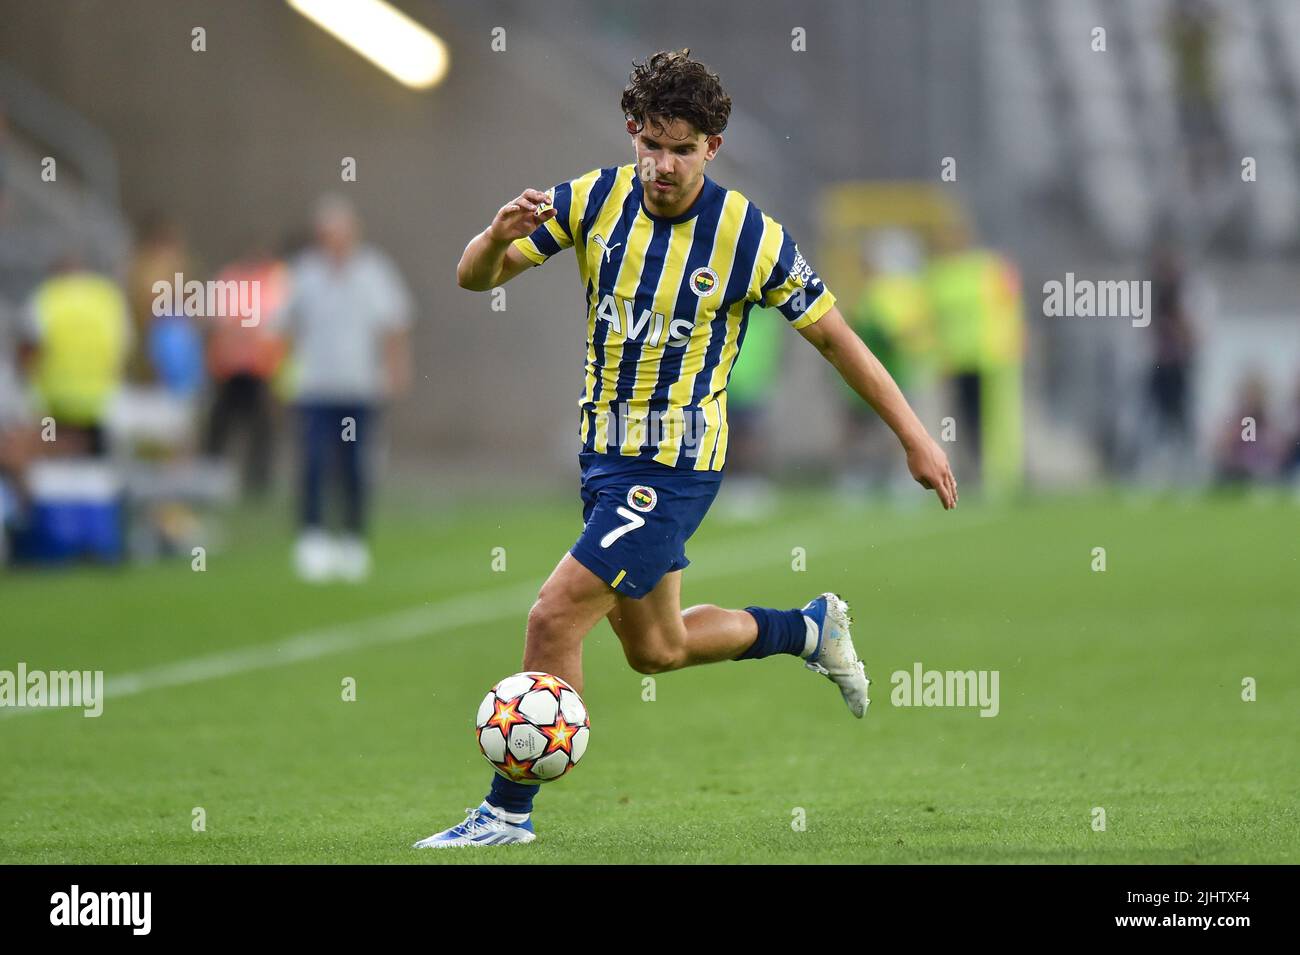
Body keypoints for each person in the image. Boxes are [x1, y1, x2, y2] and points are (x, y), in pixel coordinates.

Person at [415, 49, 957, 849]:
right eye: (652, 144)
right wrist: (496, 238)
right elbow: (472, 279)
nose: (663, 164)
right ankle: (810, 630)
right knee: (656, 649)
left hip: (675, 469)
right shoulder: (592, 200)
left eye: (682, 148)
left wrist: (916, 437)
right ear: (633, 134)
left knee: (553, 615)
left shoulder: (750, 237)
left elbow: (839, 341)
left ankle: (506, 812)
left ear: (713, 147)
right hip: (603, 461)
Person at [277, 196, 412, 582]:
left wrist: (396, 368)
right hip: (315, 387)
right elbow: (286, 324)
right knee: (314, 462)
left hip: (358, 388)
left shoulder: (373, 271)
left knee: (355, 466)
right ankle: (313, 537)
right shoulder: (304, 272)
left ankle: (353, 539)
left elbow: (394, 324)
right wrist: (285, 372)